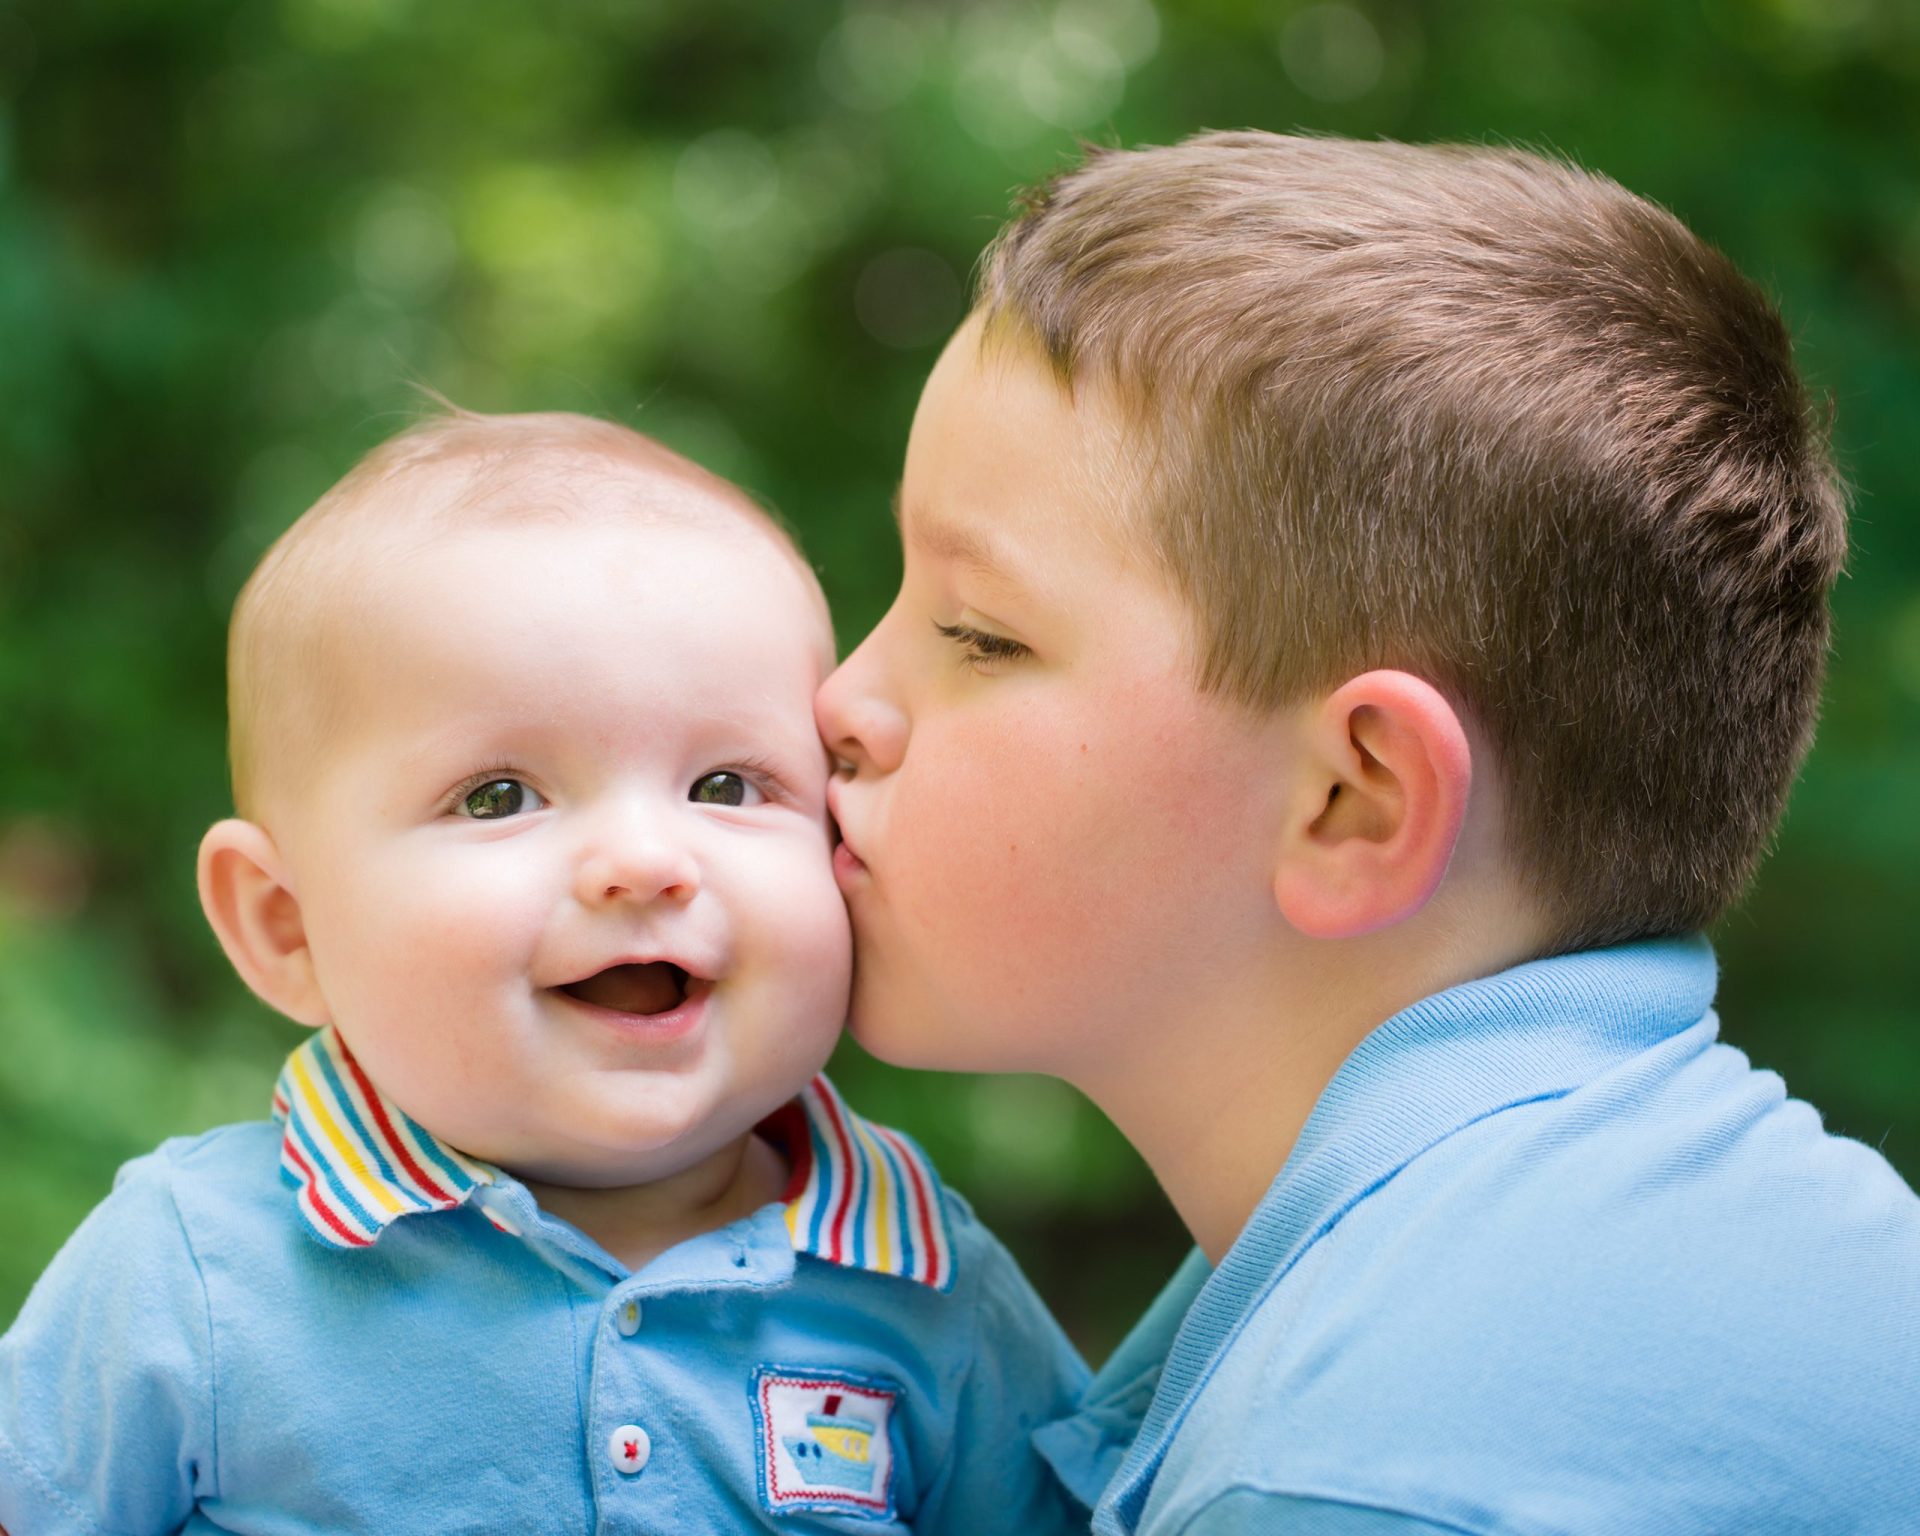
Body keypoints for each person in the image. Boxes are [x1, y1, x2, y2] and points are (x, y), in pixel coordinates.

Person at [815, 132, 1920, 1534]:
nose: (840, 699)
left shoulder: (1366, 1469)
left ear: (1356, 804)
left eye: (980, 634)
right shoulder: (1683, 1245)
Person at [0, 410, 1086, 1535]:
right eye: (498, 797)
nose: (643, 862)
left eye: (725, 786)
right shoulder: (198, 1273)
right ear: (288, 927)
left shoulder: (922, 1284)